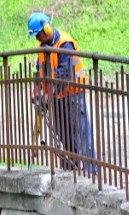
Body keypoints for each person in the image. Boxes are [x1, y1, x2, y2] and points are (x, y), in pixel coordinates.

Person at [27, 12, 96, 174]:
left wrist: (47, 94)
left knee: (80, 132)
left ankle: (89, 170)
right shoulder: (42, 47)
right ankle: (71, 168)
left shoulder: (65, 44)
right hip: (56, 97)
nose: (37, 39)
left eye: (38, 35)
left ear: (46, 29)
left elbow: (64, 73)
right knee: (63, 133)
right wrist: (36, 90)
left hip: (72, 94)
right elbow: (40, 71)